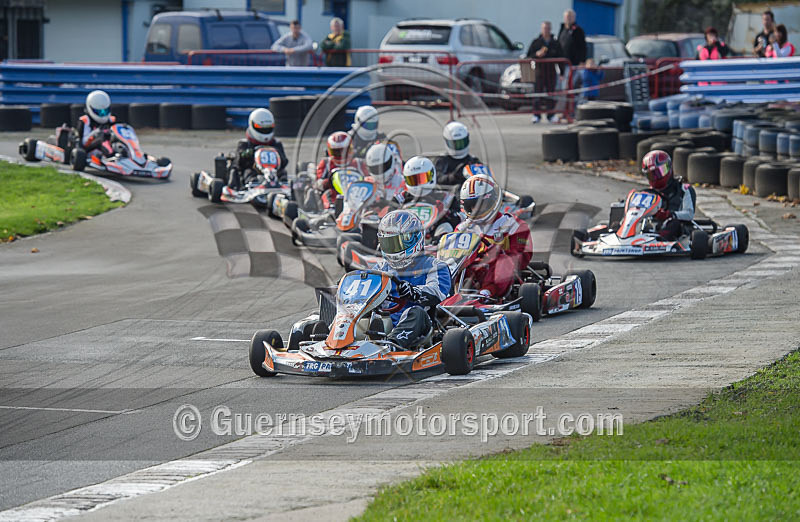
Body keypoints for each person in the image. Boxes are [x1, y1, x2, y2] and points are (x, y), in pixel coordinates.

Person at [374, 210, 451, 349]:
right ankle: (333, 340)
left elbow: (437, 291)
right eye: (388, 244)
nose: (392, 249)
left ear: (413, 239)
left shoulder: (434, 266)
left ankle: (393, 345)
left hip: (420, 325)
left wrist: (414, 291)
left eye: (396, 244)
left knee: (415, 312)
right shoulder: (381, 268)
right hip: (383, 322)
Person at [455, 174, 533, 298]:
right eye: (472, 206)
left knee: (504, 260)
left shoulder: (514, 225)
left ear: (493, 200)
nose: (477, 210)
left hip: (496, 272)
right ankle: (451, 291)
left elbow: (520, 258)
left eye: (481, 205)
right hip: (470, 271)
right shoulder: (462, 228)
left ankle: (486, 293)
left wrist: (495, 251)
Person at [395, 155, 463, 239]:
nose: (419, 185)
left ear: (432, 175)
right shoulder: (401, 198)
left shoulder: (445, 197)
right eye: (414, 180)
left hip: (433, 238)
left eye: (422, 178)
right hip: (405, 237)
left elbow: (460, 218)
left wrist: (446, 212)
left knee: (446, 226)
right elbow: (386, 211)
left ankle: (441, 246)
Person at [641, 150, 695, 241]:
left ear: (669, 168)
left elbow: (689, 214)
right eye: (652, 175)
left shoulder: (684, 189)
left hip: (678, 227)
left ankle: (659, 239)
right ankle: (622, 236)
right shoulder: (649, 193)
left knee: (673, 224)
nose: (656, 177)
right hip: (654, 226)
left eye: (660, 172)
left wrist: (669, 215)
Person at [228, 108, 289, 190]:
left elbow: (284, 162)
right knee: (248, 172)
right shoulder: (244, 144)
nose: (265, 131)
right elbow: (238, 164)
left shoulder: (276, 144)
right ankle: (253, 185)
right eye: (261, 128)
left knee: (283, 172)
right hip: (254, 171)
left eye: (268, 128)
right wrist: (247, 154)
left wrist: (277, 154)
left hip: (273, 172)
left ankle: (284, 184)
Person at [313, 131, 364, 209]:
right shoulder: (326, 163)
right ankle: (330, 209)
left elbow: (369, 181)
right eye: (337, 152)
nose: (341, 155)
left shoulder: (358, 163)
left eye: (344, 151)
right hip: (334, 194)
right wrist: (328, 182)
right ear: (330, 151)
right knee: (328, 193)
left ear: (350, 149)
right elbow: (317, 184)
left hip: (357, 194)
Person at [526, 21, 563, 123]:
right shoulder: (536, 42)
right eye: (544, 28)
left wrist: (562, 73)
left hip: (551, 72)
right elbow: (528, 56)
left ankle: (550, 115)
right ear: (541, 29)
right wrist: (537, 54)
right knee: (537, 94)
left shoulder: (555, 43)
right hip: (539, 72)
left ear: (550, 29)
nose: (546, 30)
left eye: (547, 28)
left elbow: (561, 57)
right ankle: (536, 115)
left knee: (551, 94)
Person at [434, 121, 482, 186]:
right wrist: (453, 177)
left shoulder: (473, 161)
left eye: (461, 143)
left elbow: (486, 180)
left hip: (470, 194)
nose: (459, 147)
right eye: (455, 144)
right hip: (450, 193)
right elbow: (437, 178)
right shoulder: (442, 160)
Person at [74, 90, 115, 156]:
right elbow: (84, 142)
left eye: (105, 111)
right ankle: (111, 155)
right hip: (89, 150)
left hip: (106, 146)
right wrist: (96, 132)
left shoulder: (111, 120)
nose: (102, 114)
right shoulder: (85, 120)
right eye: (99, 112)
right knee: (101, 138)